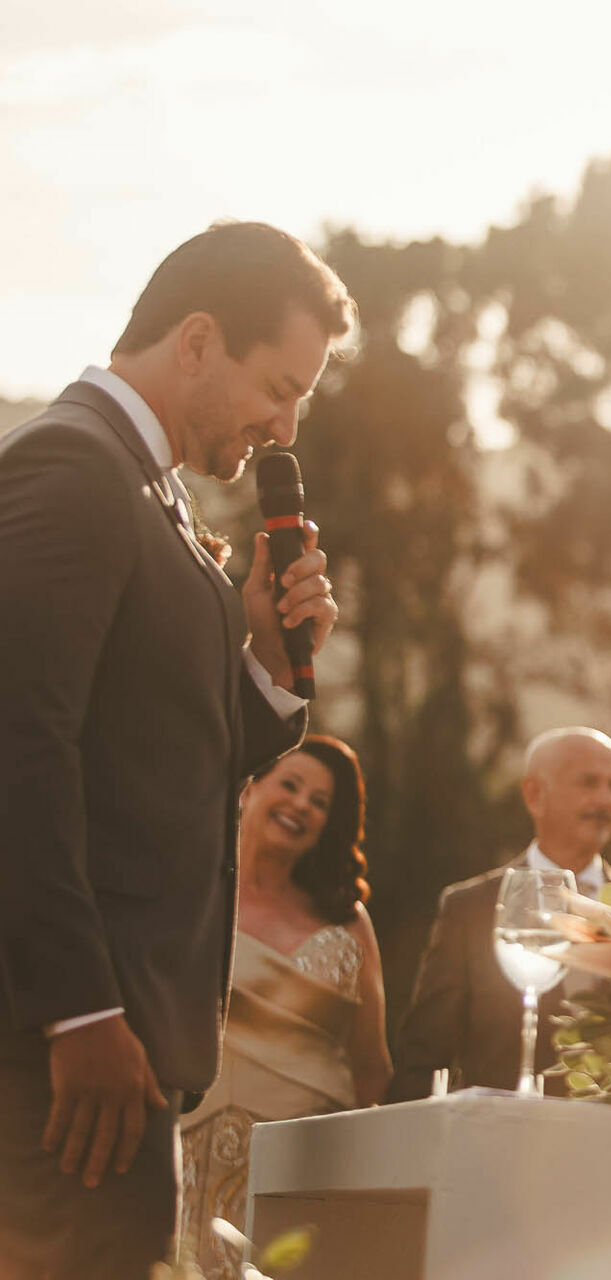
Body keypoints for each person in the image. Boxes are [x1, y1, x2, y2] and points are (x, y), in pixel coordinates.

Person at [0, 221, 348, 1278]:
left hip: (130, 1051)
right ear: (196, 340)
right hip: (64, 1064)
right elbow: (20, 744)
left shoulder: (161, 501)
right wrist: (82, 1009)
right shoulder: (74, 470)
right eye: (278, 387)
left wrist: (272, 668)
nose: (285, 427)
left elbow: (168, 766)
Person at [177, 736, 390, 1279]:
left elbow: (372, 1066)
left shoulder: (349, 923)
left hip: (301, 1174)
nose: (301, 805)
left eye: (320, 802)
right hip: (182, 1156)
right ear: (249, 789)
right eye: (290, 785)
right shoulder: (187, 888)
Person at [387, 727, 611, 1100]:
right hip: (502, 1144)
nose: (604, 799)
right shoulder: (470, 910)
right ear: (534, 794)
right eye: (588, 782)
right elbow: (423, 1056)